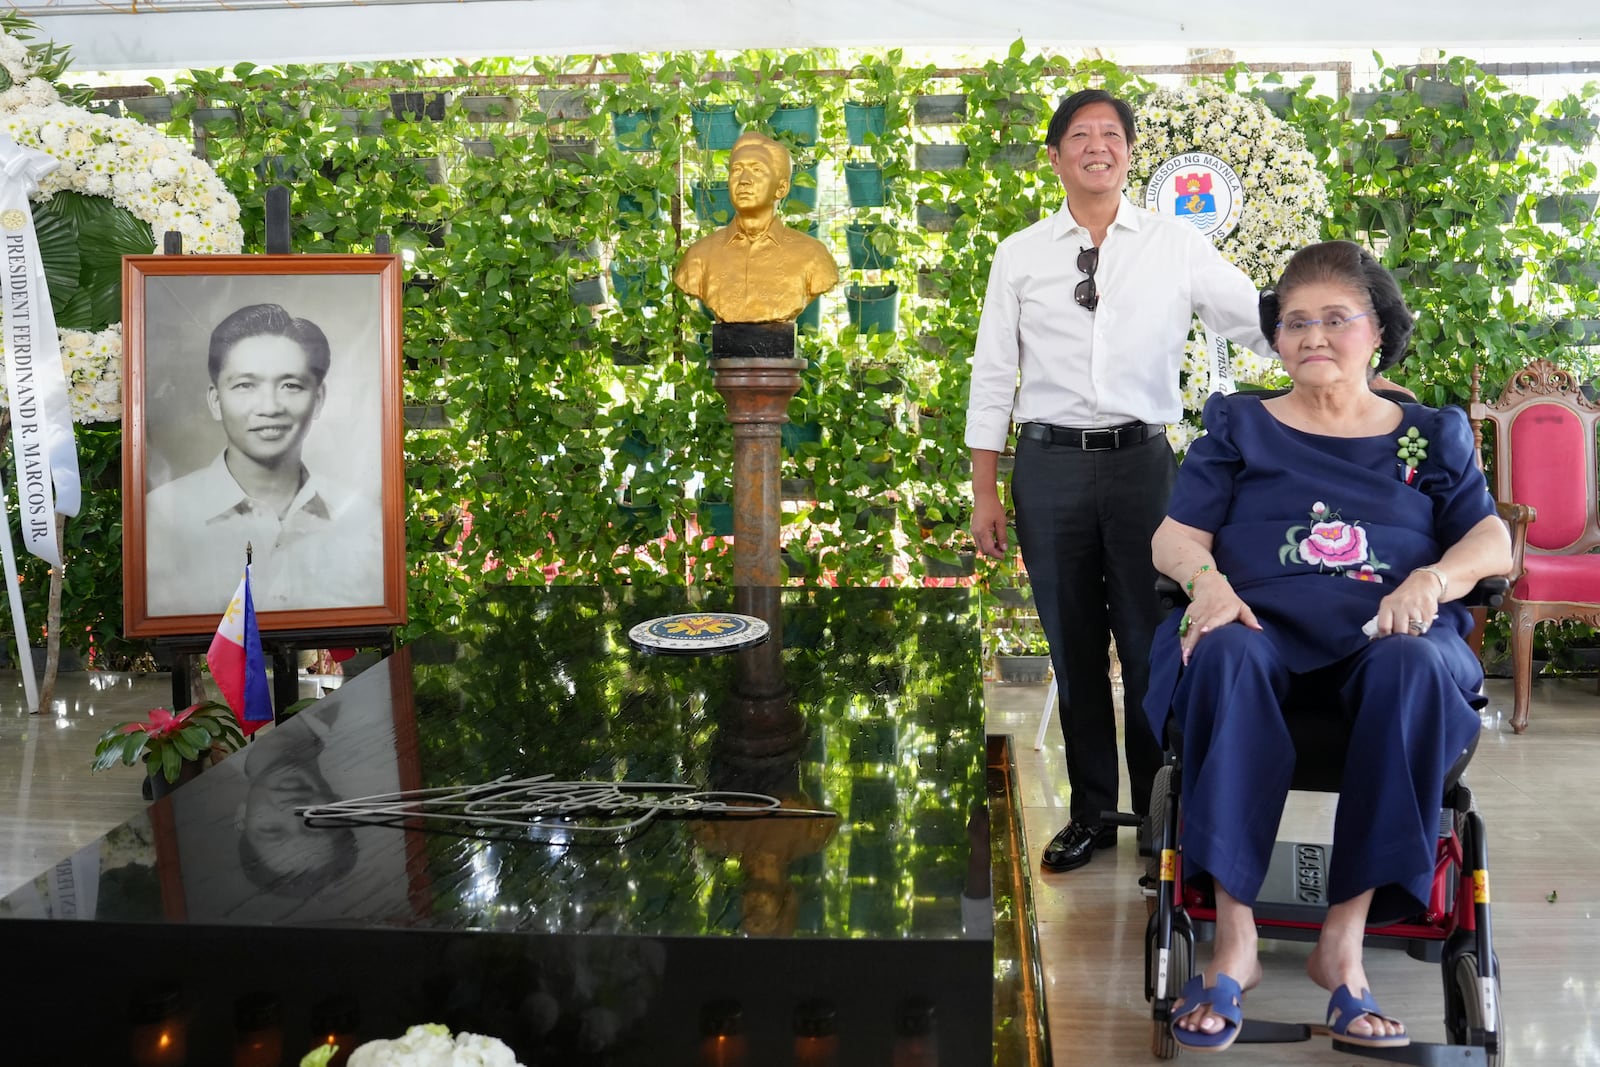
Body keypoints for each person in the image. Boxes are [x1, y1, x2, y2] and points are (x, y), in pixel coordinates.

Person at [1145, 240, 1512, 1052]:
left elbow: (1491, 543)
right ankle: (1235, 944)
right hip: (1258, 631)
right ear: (1275, 338)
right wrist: (1207, 580)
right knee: (1224, 648)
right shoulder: (1239, 424)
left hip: (1388, 642)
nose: (1313, 335)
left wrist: (1431, 583)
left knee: (1414, 664)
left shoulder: (1429, 433)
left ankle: (1341, 948)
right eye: (1294, 322)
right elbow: (1174, 535)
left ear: (1376, 330)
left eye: (1335, 319)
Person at [965, 88, 1273, 874]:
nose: (1097, 145)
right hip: (1049, 465)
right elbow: (994, 373)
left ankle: (1162, 821)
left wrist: (1330, 332)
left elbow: (1252, 316)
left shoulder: (1174, 242)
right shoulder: (1021, 252)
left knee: (1149, 647)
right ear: (1056, 154)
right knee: (1072, 648)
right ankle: (1092, 814)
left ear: (1130, 152)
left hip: (1142, 465)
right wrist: (984, 489)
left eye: (1111, 134)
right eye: (1080, 135)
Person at [144, 302, 383, 617]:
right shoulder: (162, 515)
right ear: (216, 402)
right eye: (245, 385)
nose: (269, 407)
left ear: (319, 399)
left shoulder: (363, 518)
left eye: (290, 386)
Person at [673, 130, 838, 322]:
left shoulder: (813, 256)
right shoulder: (698, 257)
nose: (744, 180)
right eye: (736, 170)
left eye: (757, 170)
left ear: (781, 188)